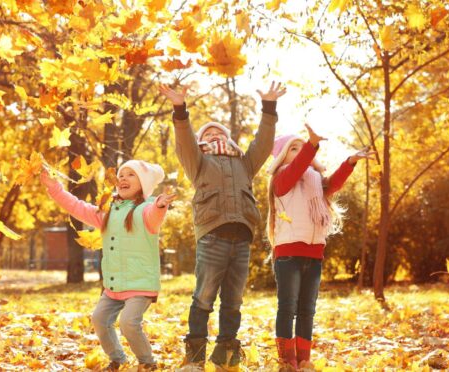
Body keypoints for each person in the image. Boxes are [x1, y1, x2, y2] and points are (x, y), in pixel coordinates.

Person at [159, 82, 286, 369]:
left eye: (219, 131)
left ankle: (225, 355)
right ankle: (194, 357)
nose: (214, 133)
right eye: (208, 132)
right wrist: (180, 109)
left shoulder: (244, 163)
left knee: (233, 300)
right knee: (204, 297)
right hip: (213, 236)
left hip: (241, 238)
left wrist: (268, 108)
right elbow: (185, 139)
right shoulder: (198, 162)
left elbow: (263, 144)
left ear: (228, 138)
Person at [40, 160, 175, 371]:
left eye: (131, 175)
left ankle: (147, 363)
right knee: (99, 319)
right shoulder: (108, 212)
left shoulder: (145, 211)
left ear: (143, 185)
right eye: (122, 175)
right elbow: (77, 206)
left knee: (129, 323)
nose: (123, 178)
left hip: (140, 282)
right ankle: (118, 359)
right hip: (114, 284)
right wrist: (54, 187)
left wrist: (160, 205)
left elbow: (154, 214)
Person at [266, 125, 375, 370]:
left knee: (307, 309)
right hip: (288, 254)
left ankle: (304, 359)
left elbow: (334, 184)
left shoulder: (315, 181)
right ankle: (287, 360)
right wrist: (311, 144)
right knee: (288, 307)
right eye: (293, 148)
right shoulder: (282, 179)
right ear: (283, 156)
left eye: (301, 148)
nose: (300, 152)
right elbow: (296, 169)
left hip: (313, 254)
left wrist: (350, 161)